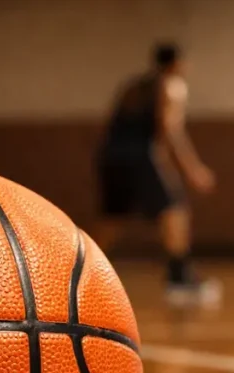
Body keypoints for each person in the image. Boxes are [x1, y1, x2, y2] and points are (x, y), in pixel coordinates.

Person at [93, 42, 220, 306]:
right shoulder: (171, 86)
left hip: (111, 156)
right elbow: (170, 130)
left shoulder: (133, 86)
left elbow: (109, 124)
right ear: (176, 63)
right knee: (175, 209)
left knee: (112, 217)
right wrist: (192, 169)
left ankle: (81, 270)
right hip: (142, 156)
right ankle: (179, 278)